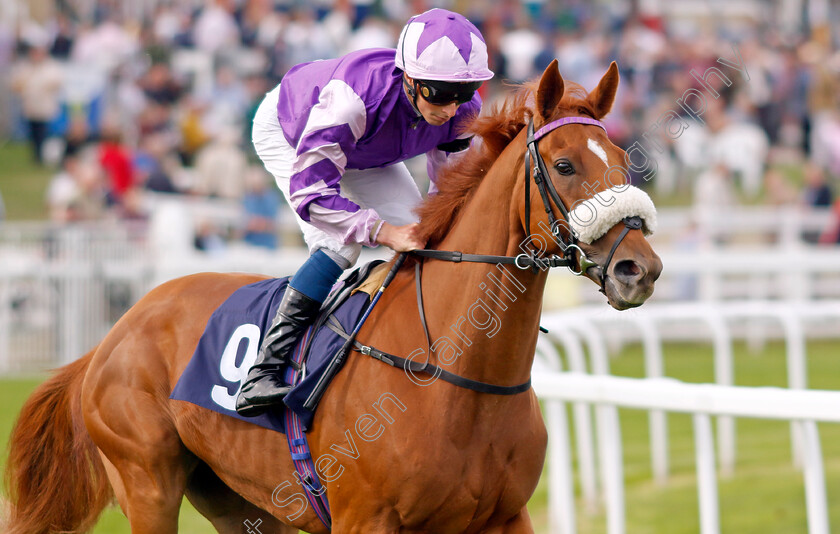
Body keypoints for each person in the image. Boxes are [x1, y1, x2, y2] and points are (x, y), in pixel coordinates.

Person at [236, 8, 493, 416]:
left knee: (427, 235)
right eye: (439, 94)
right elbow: (312, 195)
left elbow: (448, 188)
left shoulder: (462, 107)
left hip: (370, 148)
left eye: (464, 91)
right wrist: (382, 232)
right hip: (294, 133)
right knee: (340, 247)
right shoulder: (350, 101)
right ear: (409, 79)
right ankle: (263, 371)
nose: (451, 107)